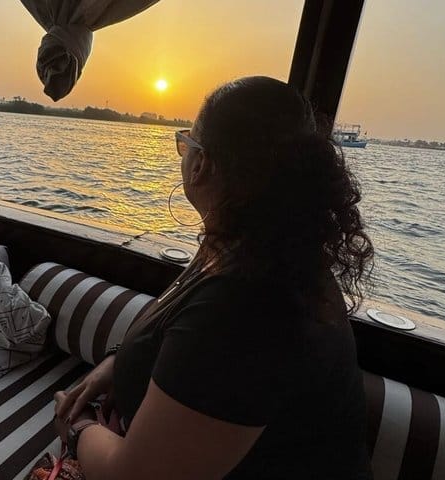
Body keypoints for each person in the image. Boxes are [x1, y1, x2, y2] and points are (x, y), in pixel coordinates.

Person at [53, 76, 374, 479]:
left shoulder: (246, 304)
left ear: (201, 164)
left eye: (185, 142)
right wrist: (118, 364)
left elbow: (134, 475)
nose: (183, 153)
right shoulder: (258, 250)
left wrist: (77, 427)